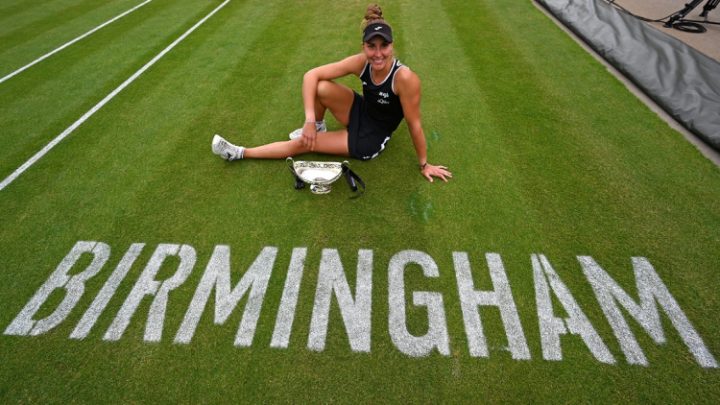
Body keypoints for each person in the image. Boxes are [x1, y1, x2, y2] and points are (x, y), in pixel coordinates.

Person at [211, 4, 452, 183]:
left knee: (303, 145)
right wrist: (308, 121)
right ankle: (317, 126)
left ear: (392, 45)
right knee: (321, 87)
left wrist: (424, 164)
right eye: (371, 46)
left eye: (384, 46)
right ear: (363, 46)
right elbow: (311, 75)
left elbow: (415, 125)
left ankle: (240, 153)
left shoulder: (405, 79)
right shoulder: (361, 62)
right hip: (361, 112)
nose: (378, 53)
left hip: (371, 137)